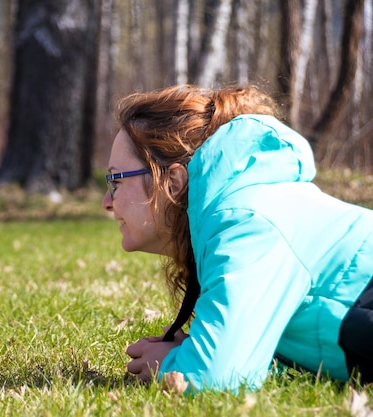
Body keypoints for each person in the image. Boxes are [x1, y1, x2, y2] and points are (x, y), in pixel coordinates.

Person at [101, 84, 373, 393]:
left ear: (172, 182)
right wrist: (194, 349)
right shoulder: (242, 211)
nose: (106, 203)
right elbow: (286, 363)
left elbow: (217, 377)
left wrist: (172, 366)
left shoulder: (246, 221)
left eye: (115, 181)